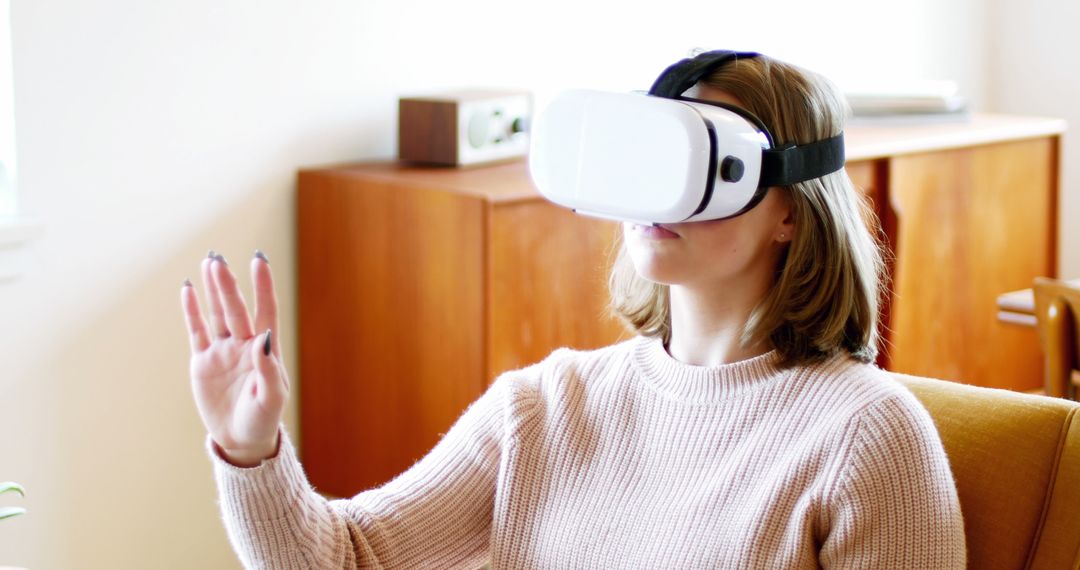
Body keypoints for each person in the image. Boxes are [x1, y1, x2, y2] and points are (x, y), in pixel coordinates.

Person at [180, 52, 966, 569]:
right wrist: (250, 453)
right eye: (647, 159)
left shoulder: (867, 438)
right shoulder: (543, 409)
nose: (657, 197)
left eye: (699, 165)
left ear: (790, 210)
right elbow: (350, 557)